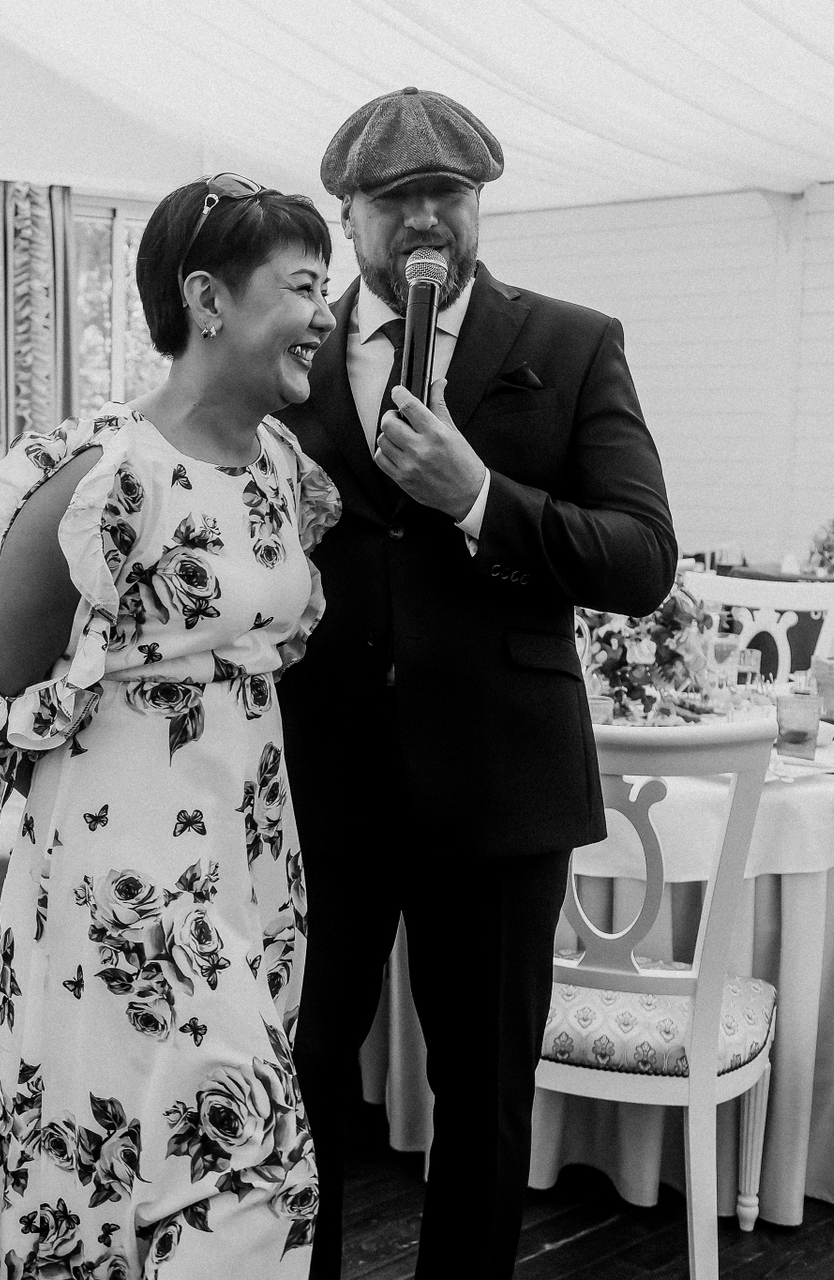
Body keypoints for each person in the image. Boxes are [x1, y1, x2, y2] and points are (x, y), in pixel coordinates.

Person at [273, 88, 678, 1279]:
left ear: (481, 202)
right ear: (348, 216)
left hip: (502, 790)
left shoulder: (571, 342)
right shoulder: (285, 353)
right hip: (318, 785)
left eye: (448, 192)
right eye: (396, 198)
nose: (425, 218)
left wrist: (481, 498)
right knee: (296, 1070)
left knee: (486, 1093)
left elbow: (642, 557)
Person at [0, 176, 341, 1278]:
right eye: (303, 286)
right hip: (130, 857)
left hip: (247, 843)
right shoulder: (108, 471)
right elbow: (2, 678)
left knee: (156, 1137)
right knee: (244, 1144)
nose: (326, 313)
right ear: (208, 299)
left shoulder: (284, 469)